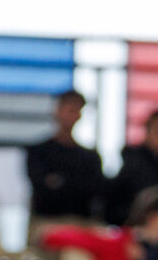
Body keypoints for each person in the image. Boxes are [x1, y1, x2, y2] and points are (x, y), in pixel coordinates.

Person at [25, 90, 106, 225]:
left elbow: (96, 191)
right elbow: (42, 189)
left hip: (82, 223)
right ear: (57, 111)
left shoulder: (90, 157)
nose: (71, 115)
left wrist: (59, 182)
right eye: (69, 109)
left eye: (76, 110)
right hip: (48, 221)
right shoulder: (38, 152)